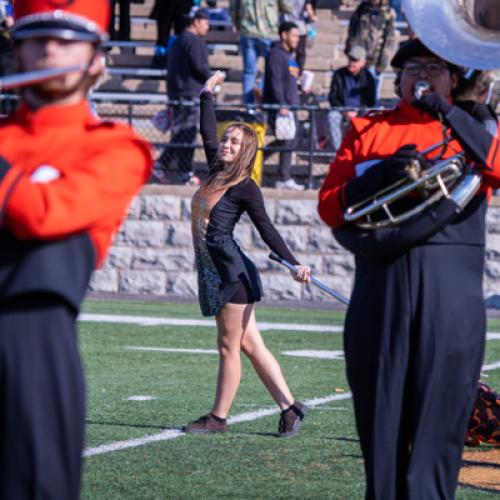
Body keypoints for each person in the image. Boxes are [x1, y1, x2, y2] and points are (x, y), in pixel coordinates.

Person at [318, 38, 500, 499]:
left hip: (451, 292)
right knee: (381, 426)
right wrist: (382, 176)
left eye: (434, 67)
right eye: (412, 67)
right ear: (396, 78)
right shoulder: (367, 127)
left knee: (438, 430)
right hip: (380, 283)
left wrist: (451, 112)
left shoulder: (473, 126)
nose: (422, 75)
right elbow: (329, 207)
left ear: (453, 79)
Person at [0, 1, 152, 498]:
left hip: (31, 339)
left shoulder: (114, 147)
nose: (49, 50)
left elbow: (42, 213)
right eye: (35, 39)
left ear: (97, 61)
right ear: (15, 52)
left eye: (67, 41)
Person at [185, 71, 311, 436]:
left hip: (231, 276)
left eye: (235, 142)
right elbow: (207, 131)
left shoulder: (246, 188)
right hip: (219, 271)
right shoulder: (215, 170)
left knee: (229, 346)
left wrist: (292, 263)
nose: (225, 144)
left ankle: (218, 418)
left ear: (247, 151)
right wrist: (207, 93)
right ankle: (290, 408)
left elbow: (267, 229)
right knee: (252, 344)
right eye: (226, 139)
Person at [152, 9, 211, 185]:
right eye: (207, 22)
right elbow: (199, 67)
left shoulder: (179, 39)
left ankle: (182, 171)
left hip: (178, 93)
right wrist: (214, 79)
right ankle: (166, 165)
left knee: (183, 134)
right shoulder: (194, 40)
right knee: (185, 135)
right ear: (196, 22)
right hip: (188, 94)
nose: (208, 27)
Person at [263, 21, 304, 190]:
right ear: (284, 35)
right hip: (281, 106)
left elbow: (289, 78)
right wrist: (281, 104)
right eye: (294, 35)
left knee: (288, 139)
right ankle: (284, 177)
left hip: (290, 104)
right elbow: (275, 80)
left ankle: (253, 158)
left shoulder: (289, 55)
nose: (297, 39)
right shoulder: (275, 54)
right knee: (287, 140)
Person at [230, 0, 293, 106]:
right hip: (269, 32)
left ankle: (249, 107)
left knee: (249, 72)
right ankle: (260, 90)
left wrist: (237, 24)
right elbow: (287, 7)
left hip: (248, 31)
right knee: (271, 69)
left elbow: (233, 8)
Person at [328, 44, 376, 150]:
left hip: (361, 110)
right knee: (333, 116)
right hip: (342, 109)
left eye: (355, 60)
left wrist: (358, 113)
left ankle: (363, 150)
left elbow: (370, 101)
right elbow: (333, 97)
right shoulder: (339, 75)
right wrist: (344, 111)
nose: (351, 63)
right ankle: (338, 151)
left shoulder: (369, 78)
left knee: (371, 117)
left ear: (362, 63)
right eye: (350, 59)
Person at [346, 0, 396, 101]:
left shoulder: (388, 12)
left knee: (372, 96)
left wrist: (382, 62)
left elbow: (389, 39)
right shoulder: (362, 8)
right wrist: (351, 47)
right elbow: (352, 28)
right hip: (358, 58)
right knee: (354, 94)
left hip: (375, 60)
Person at [149, 0, 193, 68]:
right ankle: (160, 61)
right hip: (165, 5)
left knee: (181, 36)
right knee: (162, 37)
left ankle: (180, 63)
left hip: (183, 5)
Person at [282, 0, 316, 75]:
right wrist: (312, 17)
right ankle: (295, 74)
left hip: (286, 25)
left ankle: (293, 74)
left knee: (291, 53)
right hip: (299, 27)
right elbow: (309, 9)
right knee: (299, 54)